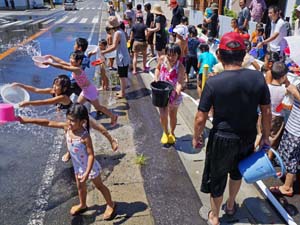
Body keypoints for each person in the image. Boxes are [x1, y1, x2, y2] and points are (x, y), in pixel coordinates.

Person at [193, 32, 271, 225]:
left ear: (219, 55)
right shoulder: (257, 78)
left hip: (222, 137)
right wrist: (265, 136)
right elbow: (266, 111)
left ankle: (214, 215)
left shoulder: (213, 82)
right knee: (237, 172)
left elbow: (200, 117)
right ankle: (230, 205)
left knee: (217, 178)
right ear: (244, 54)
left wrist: (196, 137)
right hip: (247, 136)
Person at [19, 103, 117, 219]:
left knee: (99, 186)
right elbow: (48, 122)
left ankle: (111, 204)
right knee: (80, 187)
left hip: (89, 167)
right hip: (78, 167)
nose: (69, 123)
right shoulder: (67, 127)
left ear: (82, 121)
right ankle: (83, 204)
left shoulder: (84, 136)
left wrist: (86, 173)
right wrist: (28, 120)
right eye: (68, 119)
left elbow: (91, 155)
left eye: (73, 121)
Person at [43, 51, 118, 126]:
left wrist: (50, 64)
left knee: (98, 107)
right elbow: (61, 62)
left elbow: (62, 67)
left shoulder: (77, 69)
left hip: (89, 91)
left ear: (78, 61)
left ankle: (113, 116)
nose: (70, 60)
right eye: (70, 58)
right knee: (76, 107)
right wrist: (51, 56)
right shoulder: (74, 66)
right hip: (85, 91)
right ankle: (78, 123)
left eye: (72, 59)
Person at [269, 83, 300, 197]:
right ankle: (290, 176)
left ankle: (287, 187)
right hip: (293, 124)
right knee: (287, 154)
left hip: (297, 130)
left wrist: (294, 91)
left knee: (292, 157)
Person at [154, 43, 185, 144]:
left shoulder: (180, 66)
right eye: (169, 55)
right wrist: (156, 78)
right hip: (162, 92)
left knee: (172, 115)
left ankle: (172, 132)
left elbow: (180, 82)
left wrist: (176, 93)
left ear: (178, 55)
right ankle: (165, 132)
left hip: (174, 93)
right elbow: (157, 69)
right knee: (163, 114)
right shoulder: (162, 59)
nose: (171, 58)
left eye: (174, 55)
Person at [101, 16, 131, 99]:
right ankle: (122, 91)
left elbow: (114, 46)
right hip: (124, 56)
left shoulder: (117, 33)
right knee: (123, 75)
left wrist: (104, 51)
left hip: (122, 58)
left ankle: (123, 93)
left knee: (122, 76)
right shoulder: (121, 31)